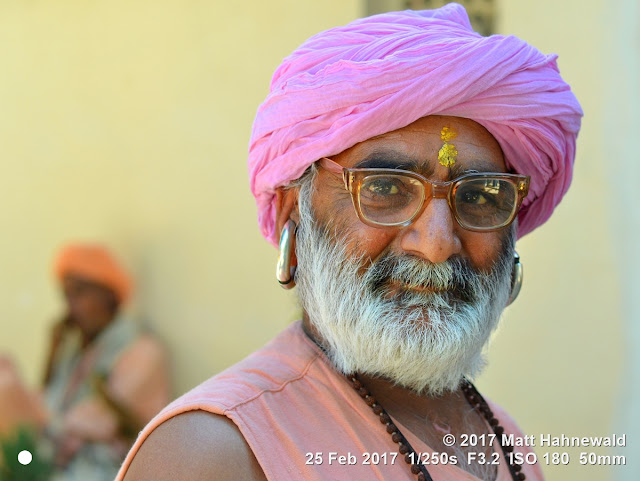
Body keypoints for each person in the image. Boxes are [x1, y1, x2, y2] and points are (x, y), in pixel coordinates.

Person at [116, 4, 582, 481]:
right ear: (293, 214)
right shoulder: (212, 454)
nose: (437, 244)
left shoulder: (503, 436)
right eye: (384, 189)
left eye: (482, 196)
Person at [0, 244, 171, 481]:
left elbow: (93, 423)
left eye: (79, 293)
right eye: (66, 296)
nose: (70, 307)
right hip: (62, 454)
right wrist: (53, 355)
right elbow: (51, 400)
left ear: (109, 295)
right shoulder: (82, 346)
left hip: (108, 466)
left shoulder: (142, 351)